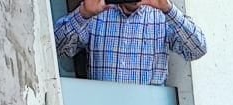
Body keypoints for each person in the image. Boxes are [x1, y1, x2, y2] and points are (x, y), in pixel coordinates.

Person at [54, 0, 207, 84]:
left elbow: (197, 50)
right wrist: (83, 14)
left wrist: (169, 9)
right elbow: (54, 48)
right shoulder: (97, 13)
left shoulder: (162, 17)